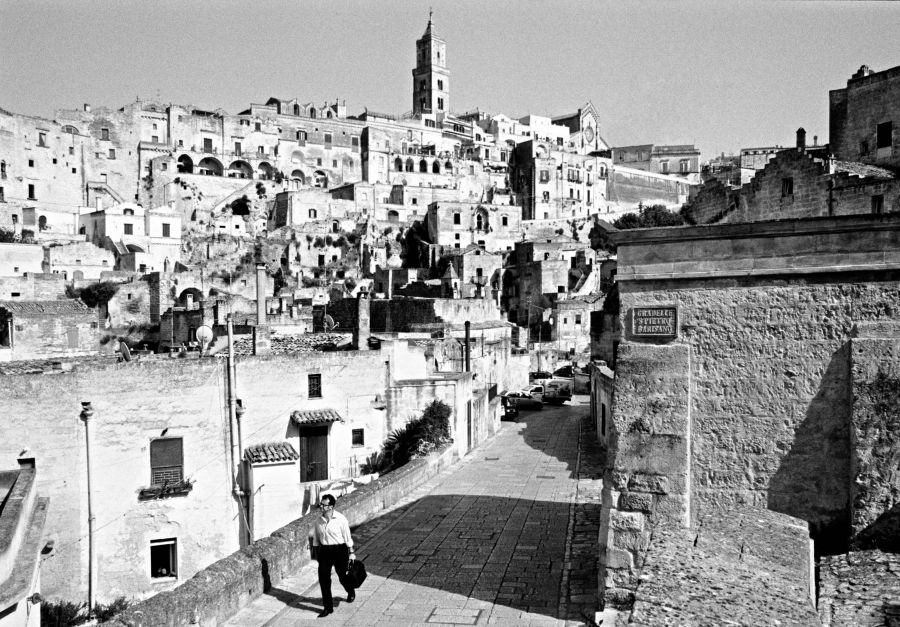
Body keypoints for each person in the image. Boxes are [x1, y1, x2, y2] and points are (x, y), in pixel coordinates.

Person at [312, 493, 356, 617]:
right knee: (323, 579)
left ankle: (350, 590)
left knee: (342, 576)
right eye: (320, 504)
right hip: (325, 551)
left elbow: (347, 537)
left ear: (330, 507)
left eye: (323, 505)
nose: (320, 507)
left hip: (340, 550)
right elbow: (316, 539)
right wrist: (317, 554)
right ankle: (328, 607)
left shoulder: (341, 519)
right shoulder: (318, 521)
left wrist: (351, 552)